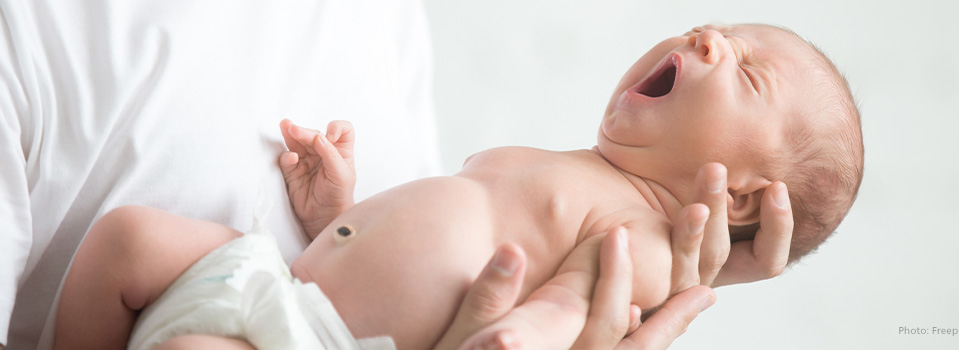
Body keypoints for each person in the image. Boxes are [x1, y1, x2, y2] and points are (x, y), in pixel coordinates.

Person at [54, 23, 862, 349]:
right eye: (718, 30)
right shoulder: (560, 161)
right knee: (128, 237)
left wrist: (521, 337)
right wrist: (337, 214)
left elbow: (568, 308)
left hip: (321, 342)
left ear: (743, 198)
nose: (709, 38)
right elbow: (425, 242)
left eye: (748, 73)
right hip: (279, 279)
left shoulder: (643, 239)